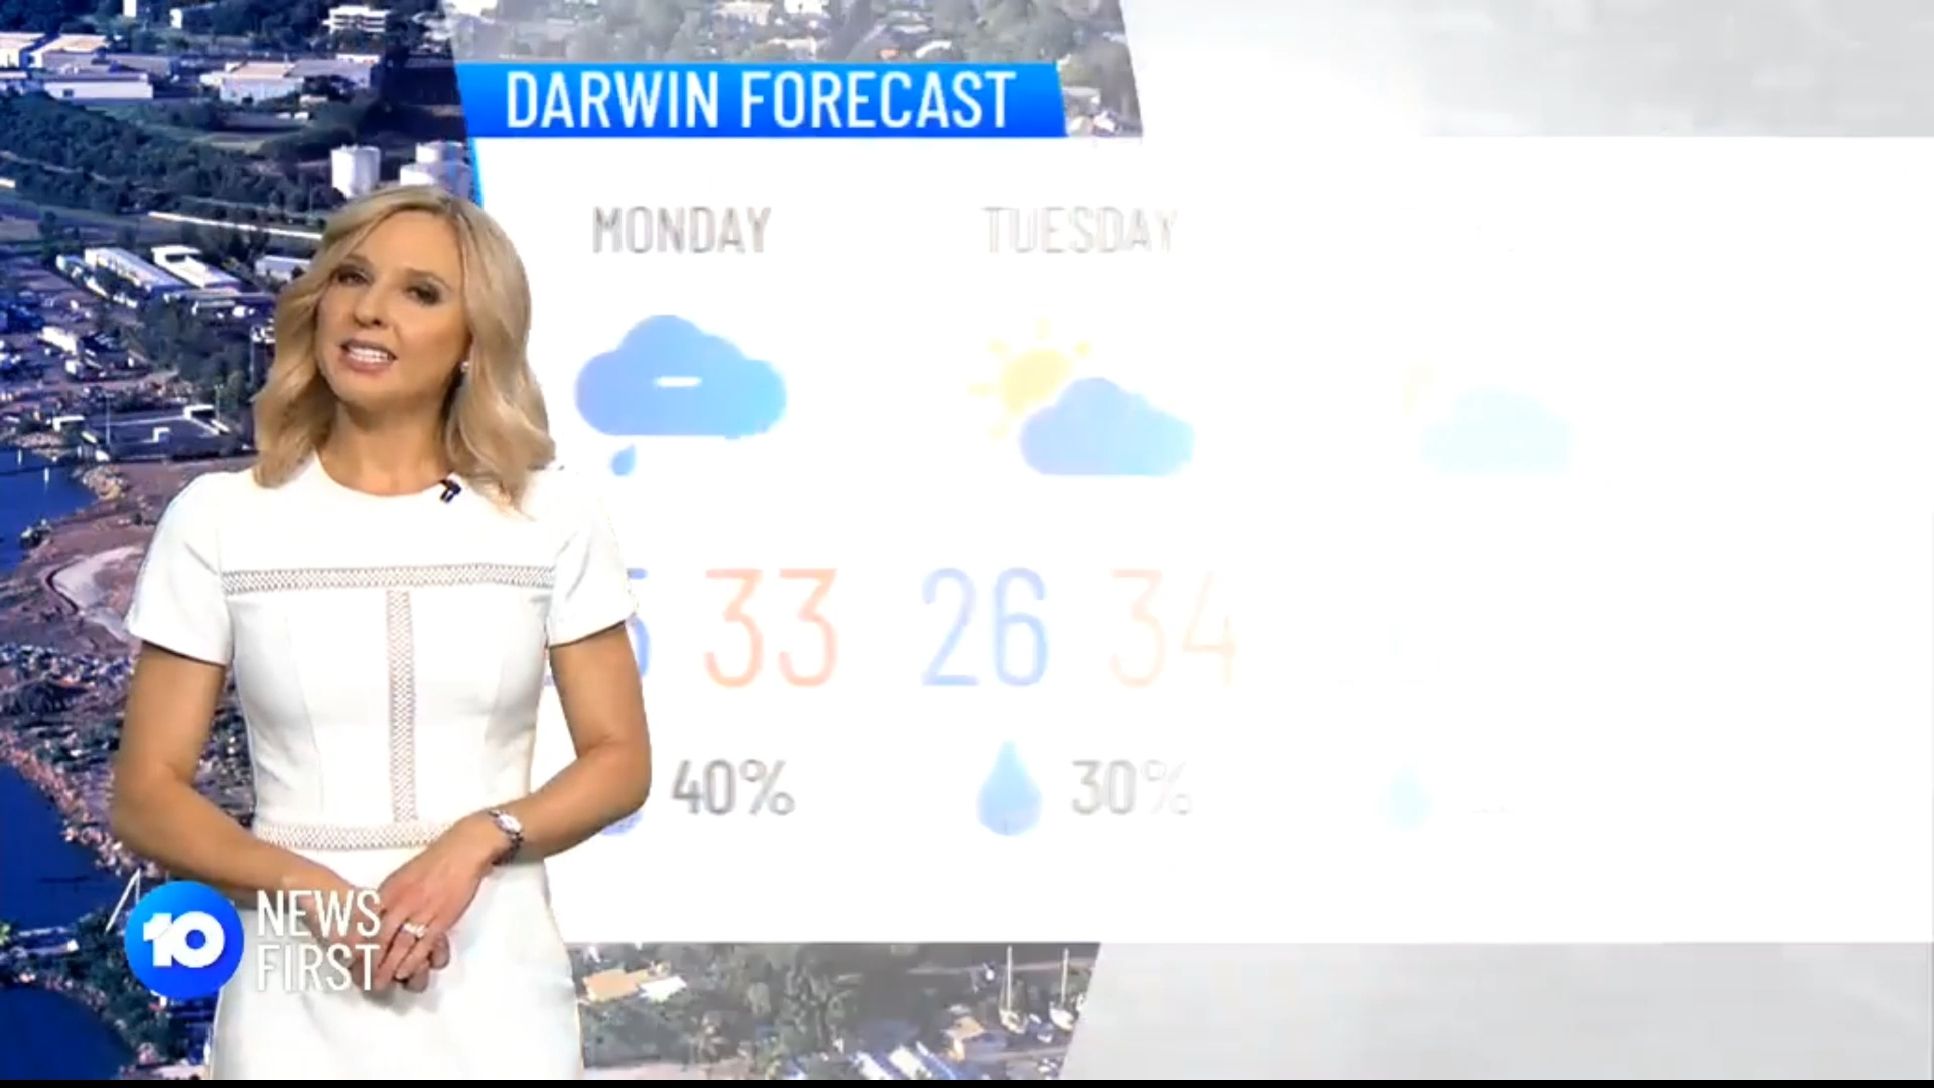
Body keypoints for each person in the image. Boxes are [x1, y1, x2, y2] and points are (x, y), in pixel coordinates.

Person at [108, 184, 652, 1079]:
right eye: (352, 277)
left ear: (473, 341)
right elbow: (145, 795)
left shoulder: (553, 516)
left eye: (421, 292)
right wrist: (313, 891)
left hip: (494, 981)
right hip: (294, 988)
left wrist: (479, 837)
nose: (369, 309)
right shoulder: (219, 520)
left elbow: (620, 760)